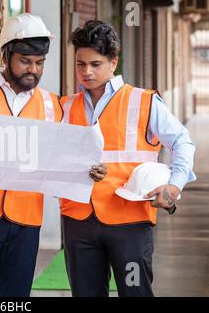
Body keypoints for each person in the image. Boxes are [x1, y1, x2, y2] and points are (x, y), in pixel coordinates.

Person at [0, 13, 106, 297]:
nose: (33, 70)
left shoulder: (51, 104)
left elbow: (61, 159)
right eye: (25, 61)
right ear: (6, 55)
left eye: (39, 63)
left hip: (25, 222)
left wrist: (87, 170)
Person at [59, 20, 196, 297]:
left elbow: (182, 141)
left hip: (130, 223)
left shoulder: (143, 101)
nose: (86, 72)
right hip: (78, 220)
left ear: (113, 62)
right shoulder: (66, 106)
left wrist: (174, 186)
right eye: (80, 64)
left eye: (95, 64)